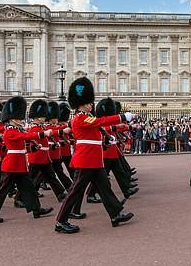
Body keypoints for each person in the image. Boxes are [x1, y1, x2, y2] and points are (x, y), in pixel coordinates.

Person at [54, 77, 134, 233]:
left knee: (105, 188)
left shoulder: (86, 117)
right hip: (85, 161)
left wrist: (107, 138)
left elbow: (96, 131)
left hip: (94, 160)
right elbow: (99, 122)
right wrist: (122, 117)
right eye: (90, 102)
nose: (92, 104)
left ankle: (115, 214)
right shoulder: (79, 118)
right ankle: (60, 221)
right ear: (82, 103)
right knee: (75, 191)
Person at [0, 96, 54, 224]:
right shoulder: (9, 131)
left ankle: (36, 209)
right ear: (11, 119)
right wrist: (42, 134)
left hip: (20, 164)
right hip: (11, 165)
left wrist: (33, 147)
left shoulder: (16, 128)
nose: (20, 120)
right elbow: (24, 136)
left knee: (29, 188)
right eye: (18, 118)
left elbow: (23, 146)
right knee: (2, 191)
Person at [47, 101, 73, 190]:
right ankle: (68, 187)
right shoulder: (47, 127)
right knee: (48, 172)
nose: (57, 119)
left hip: (61, 151)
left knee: (58, 171)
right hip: (52, 152)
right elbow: (56, 130)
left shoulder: (57, 126)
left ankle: (69, 186)